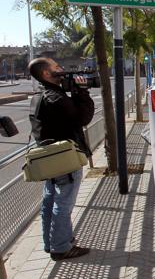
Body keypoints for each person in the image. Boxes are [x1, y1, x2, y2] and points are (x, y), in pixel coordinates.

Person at [28, 58, 94, 261]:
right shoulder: (55, 98)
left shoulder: (39, 95)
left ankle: (52, 243)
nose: (62, 70)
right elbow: (83, 118)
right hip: (65, 158)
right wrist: (82, 92)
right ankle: (61, 247)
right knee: (63, 204)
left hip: (50, 158)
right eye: (57, 68)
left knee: (49, 201)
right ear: (47, 74)